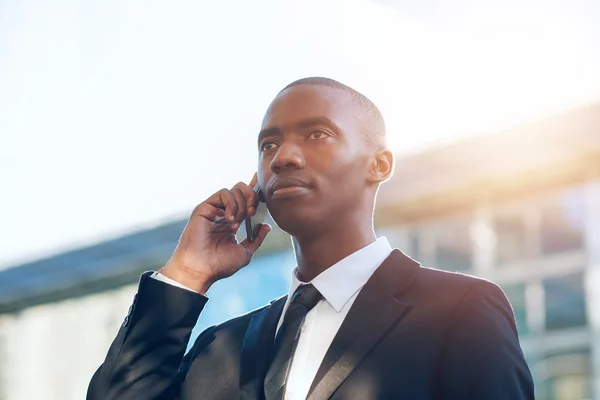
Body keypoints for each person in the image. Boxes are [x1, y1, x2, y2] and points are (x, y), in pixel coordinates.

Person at [87, 77, 534, 400]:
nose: (283, 157)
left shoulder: (459, 311)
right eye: (268, 145)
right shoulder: (219, 348)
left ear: (378, 165)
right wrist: (185, 274)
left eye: (317, 134)